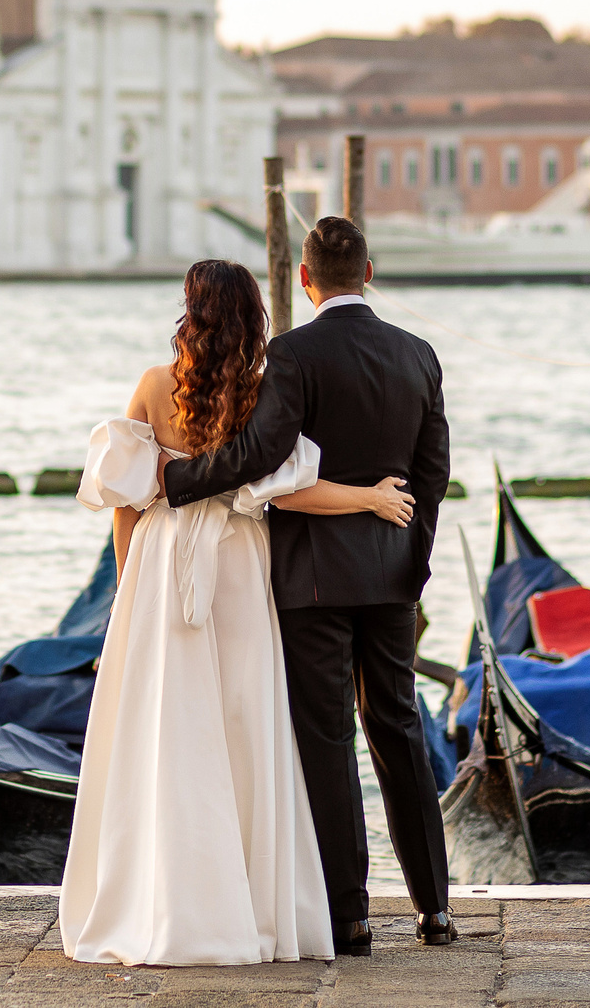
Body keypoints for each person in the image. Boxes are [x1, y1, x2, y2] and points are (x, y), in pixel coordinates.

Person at [59, 258, 417, 967]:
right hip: (240, 564)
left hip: (166, 563)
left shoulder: (153, 386)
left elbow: (128, 502)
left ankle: (166, 905)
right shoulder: (261, 389)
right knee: (247, 729)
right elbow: (292, 494)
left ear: (189, 312)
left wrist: (128, 594)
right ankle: (253, 907)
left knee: (169, 729)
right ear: (253, 315)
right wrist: (371, 497)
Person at [160, 217, 456, 956]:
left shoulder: (292, 354)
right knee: (399, 729)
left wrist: (174, 479)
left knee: (328, 739)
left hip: (311, 581)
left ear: (304, 277)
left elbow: (261, 455)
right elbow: (433, 474)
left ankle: (350, 916)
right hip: (393, 575)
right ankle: (435, 910)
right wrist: (410, 562)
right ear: (370, 270)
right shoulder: (418, 354)